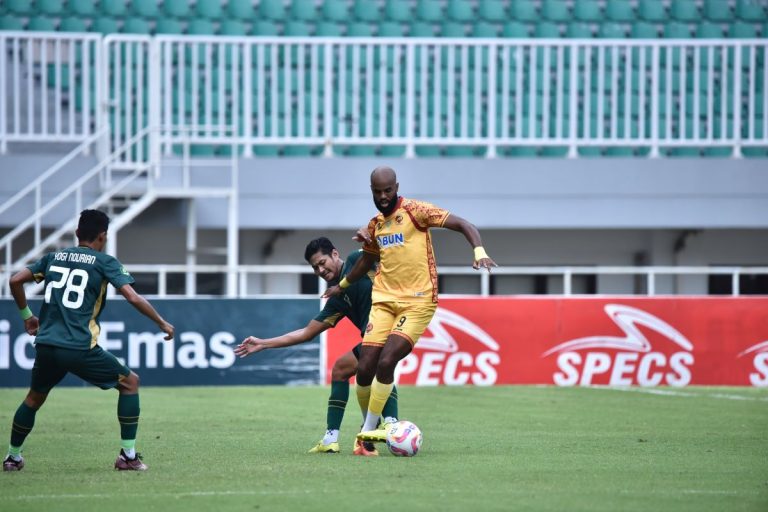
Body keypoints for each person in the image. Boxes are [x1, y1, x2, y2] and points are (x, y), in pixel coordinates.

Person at [324, 166, 497, 444]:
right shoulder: (374, 226)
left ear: (396, 187)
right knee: (366, 365)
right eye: (377, 191)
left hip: (417, 302)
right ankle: (372, 428)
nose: (383, 196)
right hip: (383, 301)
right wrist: (341, 286)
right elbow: (366, 262)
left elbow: (465, 225)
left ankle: (369, 428)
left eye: (388, 190)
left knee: (387, 360)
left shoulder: (417, 211)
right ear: (371, 190)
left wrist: (479, 251)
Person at [3, 209, 174, 472]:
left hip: (47, 344)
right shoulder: (105, 262)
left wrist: (27, 317)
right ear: (103, 236)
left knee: (34, 399)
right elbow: (133, 297)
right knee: (130, 383)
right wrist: (162, 322)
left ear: (76, 233)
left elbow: (15, 281)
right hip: (78, 346)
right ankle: (128, 457)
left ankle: (13, 458)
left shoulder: (54, 257)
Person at [234, 237, 398, 456]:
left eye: (322, 262)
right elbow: (306, 333)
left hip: (393, 328)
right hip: (372, 338)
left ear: (335, 254)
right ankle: (333, 439)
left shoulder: (357, 259)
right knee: (341, 369)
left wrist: (373, 235)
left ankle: (391, 426)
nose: (320, 270)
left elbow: (390, 254)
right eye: (315, 267)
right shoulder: (337, 299)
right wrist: (263, 344)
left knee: (376, 367)